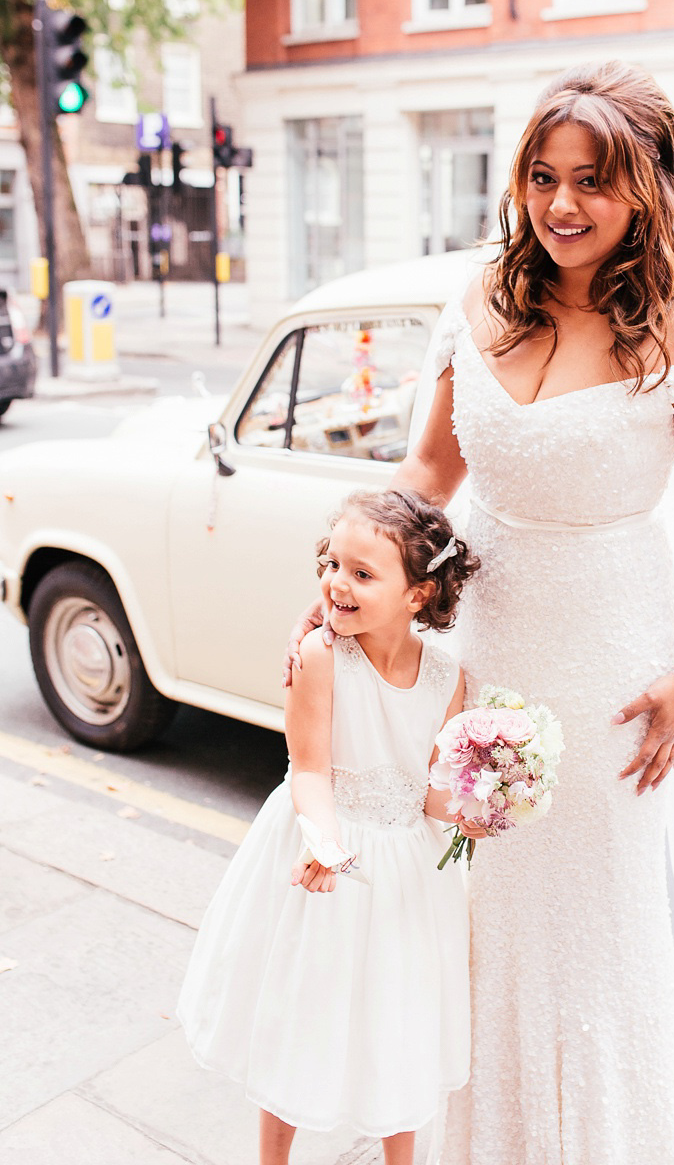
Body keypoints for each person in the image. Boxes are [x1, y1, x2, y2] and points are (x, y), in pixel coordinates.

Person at [285, 62, 674, 1165]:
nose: (562, 205)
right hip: (484, 643)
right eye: (542, 176)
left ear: (649, 189)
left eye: (594, 182)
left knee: (594, 921)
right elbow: (427, 471)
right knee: (473, 903)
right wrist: (337, 592)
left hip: (614, 658)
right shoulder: (477, 302)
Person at [179, 488, 479, 1165]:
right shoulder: (321, 656)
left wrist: (473, 814)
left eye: (362, 573)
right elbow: (309, 770)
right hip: (323, 856)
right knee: (295, 1010)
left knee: (395, 1020)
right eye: (333, 563)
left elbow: (430, 792)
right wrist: (326, 841)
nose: (336, 584)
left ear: (418, 595)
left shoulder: (447, 677)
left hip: (405, 879)